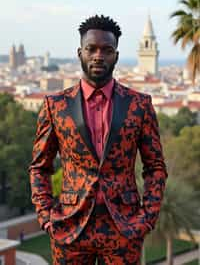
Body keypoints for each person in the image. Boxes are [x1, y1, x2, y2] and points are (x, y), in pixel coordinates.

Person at [29, 15, 168, 265]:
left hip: (124, 227)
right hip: (70, 227)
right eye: (91, 49)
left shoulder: (139, 105)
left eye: (106, 50)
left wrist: (147, 217)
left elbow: (155, 167)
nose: (98, 55)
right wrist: (46, 216)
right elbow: (40, 167)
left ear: (116, 55)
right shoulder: (56, 106)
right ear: (80, 53)